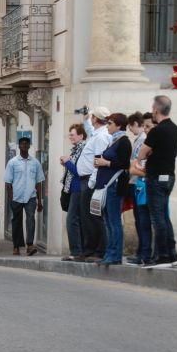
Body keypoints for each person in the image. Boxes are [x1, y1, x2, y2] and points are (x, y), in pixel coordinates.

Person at [135, 95, 177, 268]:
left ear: (156, 110)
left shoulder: (157, 131)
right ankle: (172, 254)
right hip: (169, 176)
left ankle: (162, 257)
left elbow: (141, 153)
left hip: (156, 178)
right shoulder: (175, 128)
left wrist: (146, 155)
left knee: (157, 218)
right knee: (164, 217)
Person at [93, 113, 132, 266]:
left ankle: (115, 255)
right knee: (108, 221)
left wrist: (105, 163)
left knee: (114, 221)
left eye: (110, 123)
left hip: (114, 186)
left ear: (118, 126)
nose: (107, 126)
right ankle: (110, 252)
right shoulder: (114, 140)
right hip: (107, 186)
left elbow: (123, 163)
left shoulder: (124, 142)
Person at [76, 106, 112, 261]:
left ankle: (98, 249)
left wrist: (92, 182)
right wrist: (86, 118)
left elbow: (99, 161)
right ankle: (89, 248)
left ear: (96, 119)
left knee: (93, 217)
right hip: (86, 179)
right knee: (86, 216)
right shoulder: (97, 134)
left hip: (91, 180)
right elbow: (90, 130)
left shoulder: (102, 136)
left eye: (92, 117)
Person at [4, 136, 45, 256]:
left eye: (27, 144)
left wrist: (39, 201)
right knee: (16, 221)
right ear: (19, 146)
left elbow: (39, 182)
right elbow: (8, 183)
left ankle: (30, 245)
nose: (24, 146)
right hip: (16, 196)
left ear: (29, 146)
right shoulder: (12, 163)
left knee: (31, 220)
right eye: (22, 144)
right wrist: (11, 199)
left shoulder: (35, 163)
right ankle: (16, 246)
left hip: (31, 197)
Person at [126, 112, 151, 265]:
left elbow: (138, 163)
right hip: (135, 181)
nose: (130, 129)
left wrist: (133, 168)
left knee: (142, 220)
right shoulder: (138, 140)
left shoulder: (143, 141)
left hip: (139, 182)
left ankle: (143, 252)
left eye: (131, 126)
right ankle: (141, 251)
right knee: (139, 219)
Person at [59, 123, 86, 261]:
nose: (70, 137)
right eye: (69, 134)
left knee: (71, 220)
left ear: (81, 136)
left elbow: (79, 171)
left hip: (78, 188)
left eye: (72, 134)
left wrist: (67, 163)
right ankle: (79, 251)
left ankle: (76, 251)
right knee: (76, 220)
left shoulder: (83, 149)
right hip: (72, 188)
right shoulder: (75, 149)